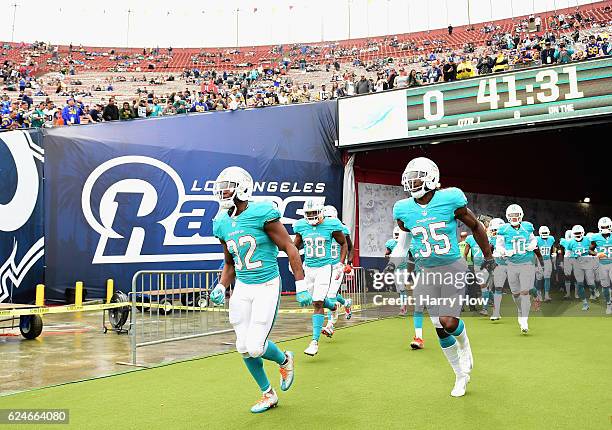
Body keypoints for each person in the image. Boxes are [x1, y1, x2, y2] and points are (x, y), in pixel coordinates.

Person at [391, 157, 495, 397]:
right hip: (425, 271)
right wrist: (399, 261)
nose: (412, 181)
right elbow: (406, 237)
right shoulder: (403, 208)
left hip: (452, 267)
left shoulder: (450, 198)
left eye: (417, 176)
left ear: (431, 178)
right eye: (410, 176)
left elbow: (477, 226)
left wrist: (488, 256)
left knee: (449, 322)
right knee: (439, 328)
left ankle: (464, 343)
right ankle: (459, 376)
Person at [210, 166, 303, 413]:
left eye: (227, 186)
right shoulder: (221, 222)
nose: (222, 191)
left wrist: (301, 284)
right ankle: (268, 394)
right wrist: (221, 285)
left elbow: (290, 248)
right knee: (242, 346)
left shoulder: (262, 212)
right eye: (220, 187)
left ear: (242, 188)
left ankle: (284, 360)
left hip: (266, 285)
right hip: (242, 287)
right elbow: (230, 262)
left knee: (255, 347)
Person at [293, 199, 348, 356]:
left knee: (317, 302)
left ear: (321, 212)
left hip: (325, 267)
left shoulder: (331, 224)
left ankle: (314, 342)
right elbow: (294, 246)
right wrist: (293, 262)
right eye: (308, 213)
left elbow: (343, 243)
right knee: (315, 300)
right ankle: (333, 306)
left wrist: (340, 263)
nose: (311, 216)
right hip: (308, 267)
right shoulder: (301, 226)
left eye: (313, 213)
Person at [495, 204, 545, 333]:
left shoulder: (527, 227)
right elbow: (498, 245)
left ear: (521, 216)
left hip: (526, 264)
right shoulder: (504, 229)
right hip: (511, 264)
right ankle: (520, 310)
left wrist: (531, 246)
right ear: (507, 216)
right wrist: (504, 251)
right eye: (512, 216)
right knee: (516, 293)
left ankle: (524, 321)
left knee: (524, 292)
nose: (514, 217)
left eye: (516, 215)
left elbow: (533, 240)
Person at [321, 205, 353, 338]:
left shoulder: (342, 228)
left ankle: (330, 325)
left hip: (338, 266)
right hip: (324, 266)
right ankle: (346, 303)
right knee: (329, 293)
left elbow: (350, 247)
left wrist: (349, 263)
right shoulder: (320, 228)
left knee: (330, 295)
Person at [563, 225, 596, 311]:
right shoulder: (570, 242)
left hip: (587, 263)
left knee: (590, 283)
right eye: (576, 233)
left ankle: (593, 291)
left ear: (583, 233)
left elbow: (594, 250)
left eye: (579, 233)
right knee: (580, 284)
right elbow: (568, 254)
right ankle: (585, 303)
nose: (577, 235)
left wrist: (591, 254)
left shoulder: (588, 240)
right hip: (577, 265)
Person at [589, 217, 612, 314]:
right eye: (604, 226)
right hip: (602, 265)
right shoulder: (595, 237)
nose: (606, 228)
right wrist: (597, 254)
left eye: (607, 226)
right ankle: (608, 304)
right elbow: (590, 250)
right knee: (605, 286)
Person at [488, 218, 508, 321]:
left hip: (513, 264)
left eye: (496, 230)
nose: (494, 232)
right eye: (493, 230)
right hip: (500, 264)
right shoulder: (492, 239)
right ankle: (496, 313)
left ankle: (536, 296)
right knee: (498, 288)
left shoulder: (510, 235)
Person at [535, 226, 556, 302]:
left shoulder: (551, 239)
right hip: (539, 260)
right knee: (539, 278)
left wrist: (554, 253)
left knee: (547, 278)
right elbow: (534, 250)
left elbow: (553, 246)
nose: (544, 234)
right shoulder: (536, 239)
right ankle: (538, 294)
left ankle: (546, 295)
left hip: (547, 260)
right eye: (543, 233)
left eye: (545, 233)